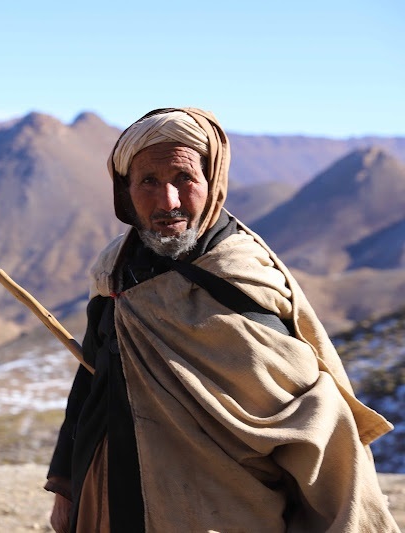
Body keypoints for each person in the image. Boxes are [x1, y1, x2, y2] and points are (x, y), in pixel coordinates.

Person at [45, 108, 399, 532]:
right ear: (126, 191)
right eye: (149, 182)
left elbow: (313, 418)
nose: (168, 201)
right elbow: (91, 382)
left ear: (213, 183)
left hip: (220, 512)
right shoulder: (114, 270)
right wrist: (66, 487)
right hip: (109, 500)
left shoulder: (242, 282)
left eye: (184, 179)